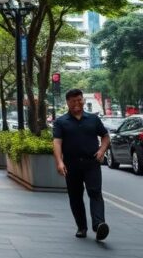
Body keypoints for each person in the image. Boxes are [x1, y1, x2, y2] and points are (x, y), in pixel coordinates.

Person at [53, 88, 110, 241]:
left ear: (83, 100)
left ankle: (99, 225)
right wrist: (59, 162)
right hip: (71, 165)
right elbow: (57, 143)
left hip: (92, 163)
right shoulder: (61, 122)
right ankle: (81, 227)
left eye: (79, 100)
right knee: (75, 196)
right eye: (73, 101)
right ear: (68, 103)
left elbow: (105, 136)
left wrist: (102, 150)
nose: (77, 103)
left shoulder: (93, 119)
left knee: (95, 193)